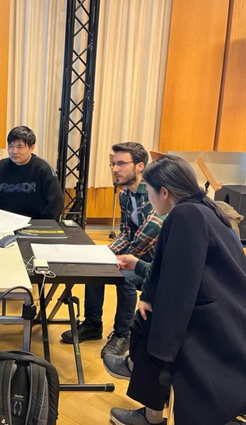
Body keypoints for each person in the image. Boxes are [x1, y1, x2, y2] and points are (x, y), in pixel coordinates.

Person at [104, 155, 246, 425]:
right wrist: (149, 297)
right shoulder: (206, 210)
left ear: (164, 192)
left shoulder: (186, 215)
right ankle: (140, 379)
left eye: (149, 191)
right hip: (238, 314)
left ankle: (139, 378)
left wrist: (161, 347)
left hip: (216, 321)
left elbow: (179, 284)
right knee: (149, 319)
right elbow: (171, 269)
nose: (149, 199)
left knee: (149, 326)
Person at [61, 142, 164, 358]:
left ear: (140, 166)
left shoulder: (153, 192)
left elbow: (150, 232)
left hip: (156, 264)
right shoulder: (125, 194)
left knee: (125, 278)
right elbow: (126, 232)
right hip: (137, 254)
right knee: (98, 264)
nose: (115, 169)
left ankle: (122, 334)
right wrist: (107, 254)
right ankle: (92, 324)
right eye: (113, 164)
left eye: (121, 164)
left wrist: (122, 258)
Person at [0, 126, 64, 220]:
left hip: (35, 223)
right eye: (10, 146)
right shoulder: (1, 166)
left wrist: (45, 223)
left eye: (19, 147)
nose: (14, 151)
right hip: (7, 222)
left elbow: (56, 202)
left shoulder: (43, 169)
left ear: (32, 148)